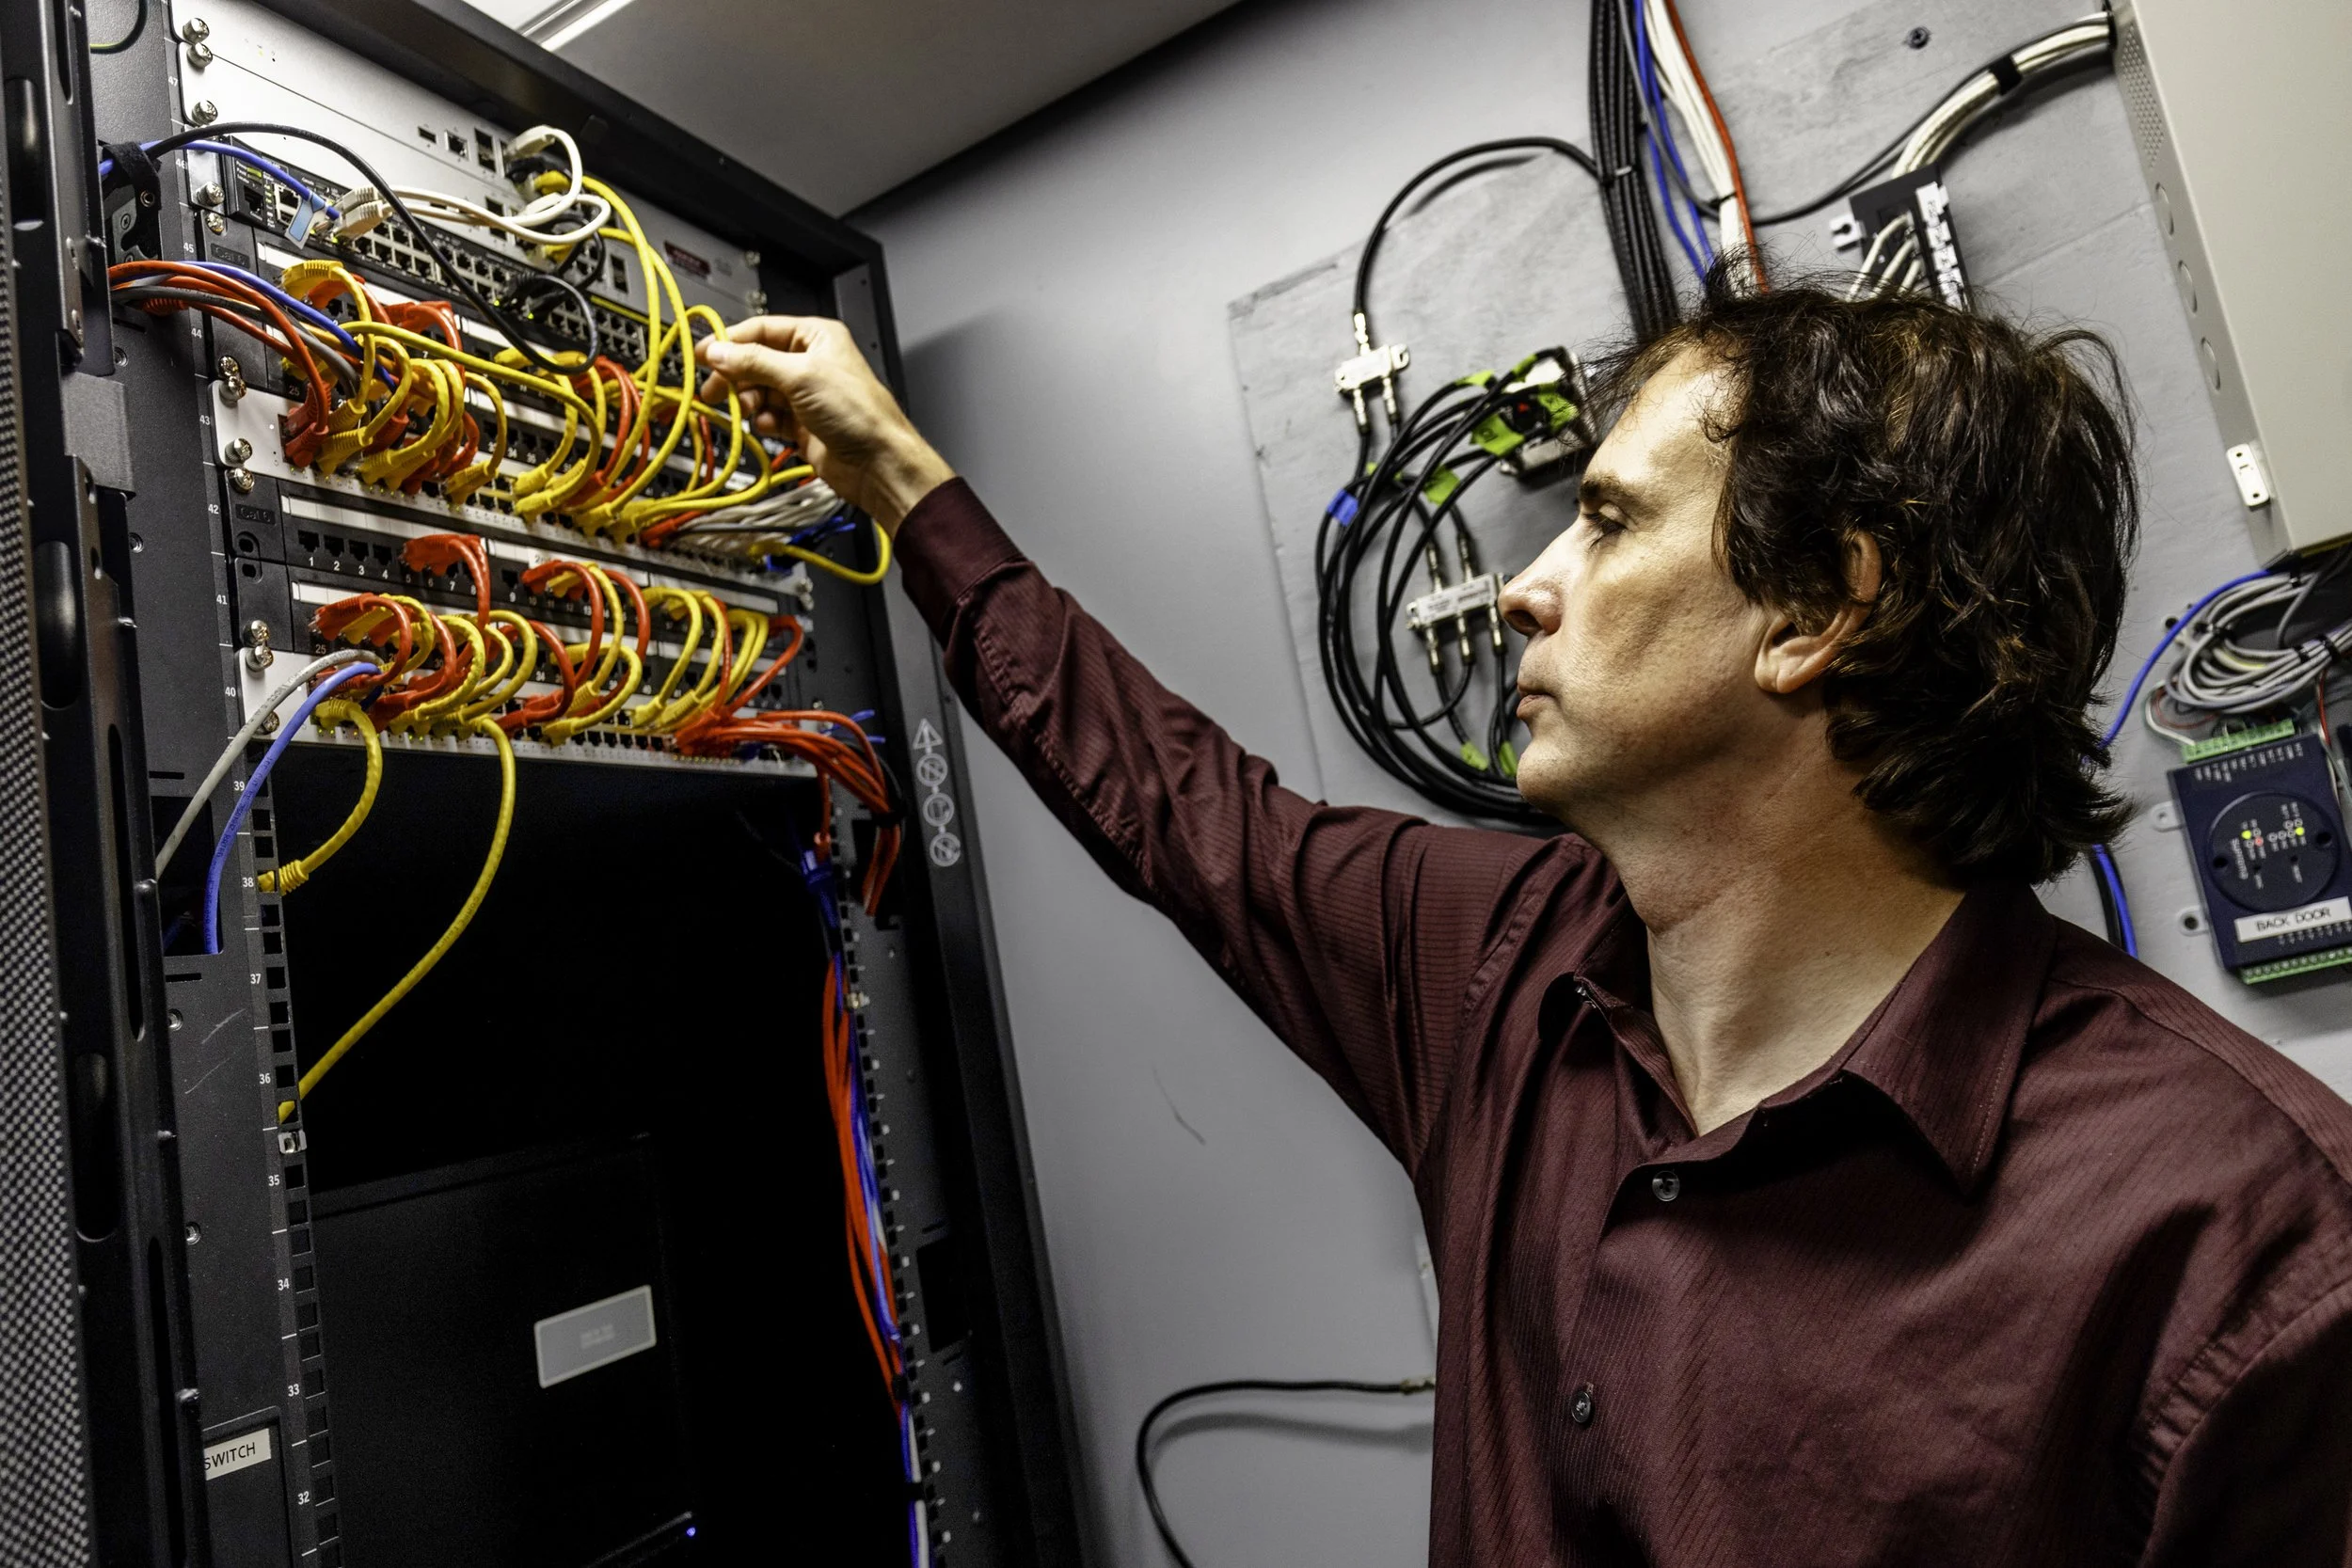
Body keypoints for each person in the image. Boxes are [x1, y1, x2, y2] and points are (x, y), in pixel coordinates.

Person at [698, 269, 2352, 1567]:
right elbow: (1187, 811)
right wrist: (901, 480)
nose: (1524, 580)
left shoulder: (2243, 1241)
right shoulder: (1504, 963)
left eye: (1613, 518)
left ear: (1820, 609)